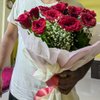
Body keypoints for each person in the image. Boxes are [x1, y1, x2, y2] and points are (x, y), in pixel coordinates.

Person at [0, 0, 94, 100]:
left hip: (57, 94)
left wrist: (77, 75)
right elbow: (10, 36)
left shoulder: (76, 9)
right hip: (19, 90)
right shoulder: (22, 1)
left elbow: (89, 52)